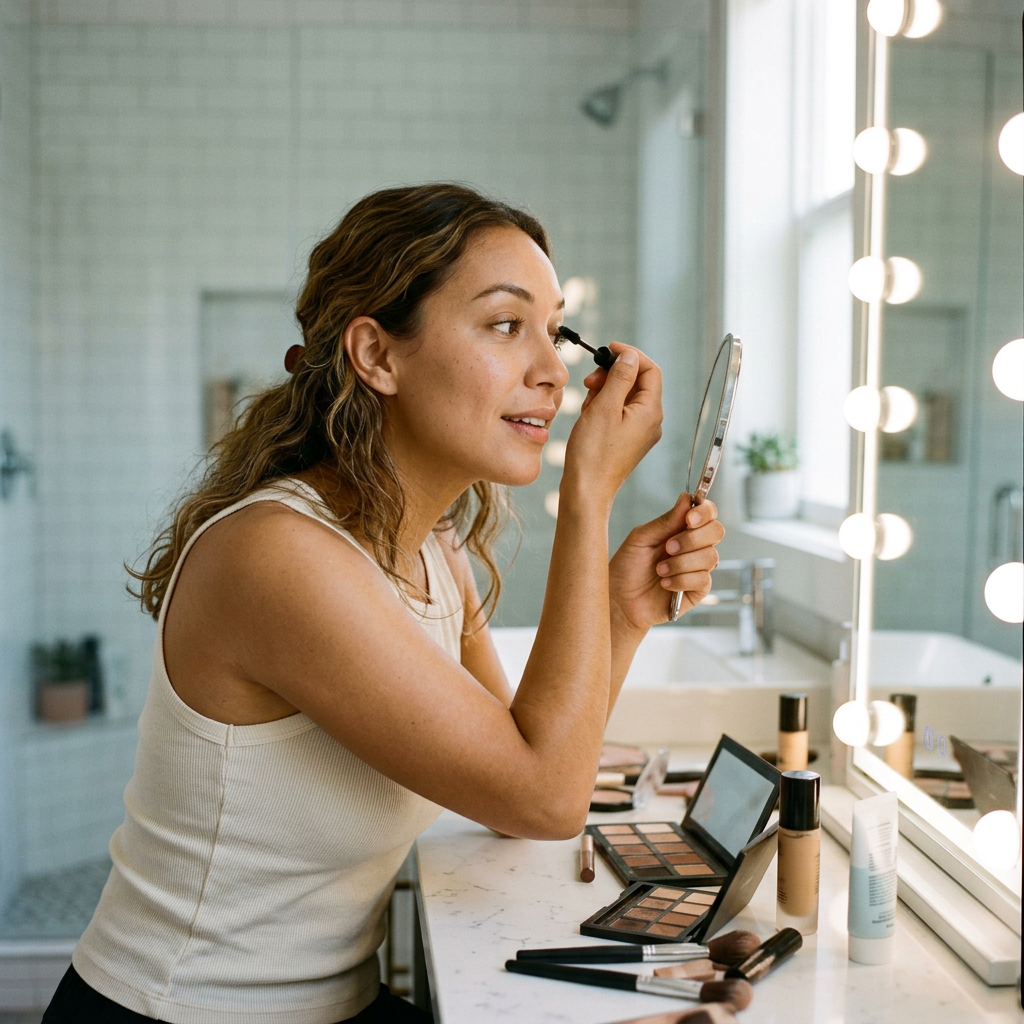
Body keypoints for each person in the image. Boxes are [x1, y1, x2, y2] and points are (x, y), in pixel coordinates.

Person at [42, 183, 724, 1024]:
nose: (553, 373)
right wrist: (588, 496)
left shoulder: (434, 550)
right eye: (504, 324)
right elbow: (543, 798)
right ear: (377, 355)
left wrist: (623, 612)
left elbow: (517, 780)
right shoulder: (279, 556)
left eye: (553, 332)